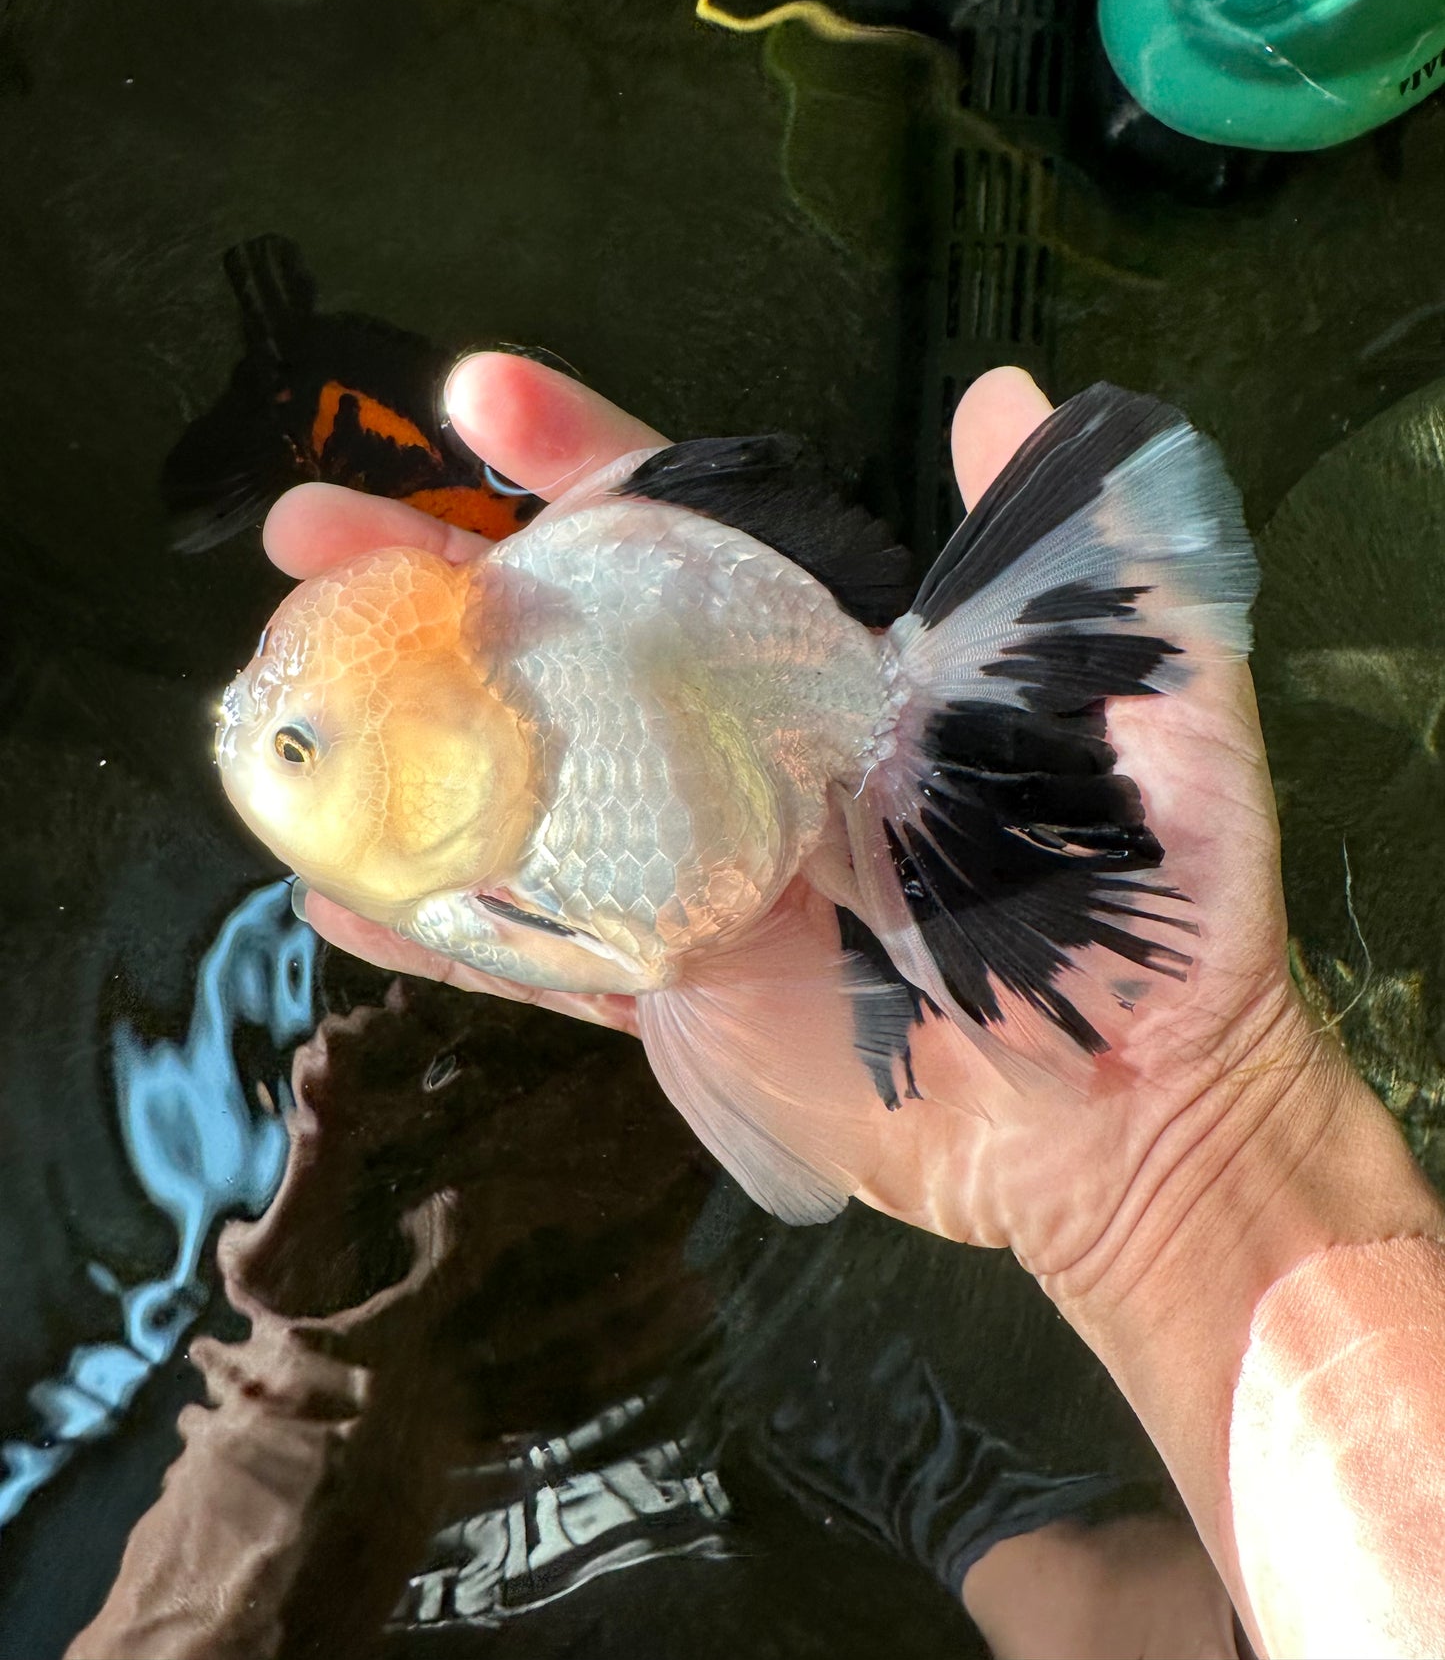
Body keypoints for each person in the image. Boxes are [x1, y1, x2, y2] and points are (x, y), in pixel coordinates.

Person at [268, 350, 1445, 1659]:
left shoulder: (490, 826)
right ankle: (1032, 1548)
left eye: (296, 746)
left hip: (778, 737)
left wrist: (1172, 1154)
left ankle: (1001, 1531)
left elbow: (677, 959)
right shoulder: (480, 817)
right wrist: (1181, 1170)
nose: (261, 758)